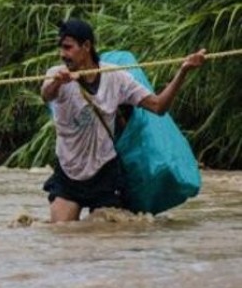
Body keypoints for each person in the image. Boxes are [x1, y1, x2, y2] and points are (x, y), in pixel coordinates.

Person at [40, 18, 206, 222]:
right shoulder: (55, 75)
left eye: (68, 47)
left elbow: (158, 106)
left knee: (110, 236)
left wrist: (183, 71)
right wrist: (57, 82)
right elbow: (46, 95)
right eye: (61, 48)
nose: (62, 54)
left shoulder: (115, 76)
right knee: (61, 232)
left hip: (104, 173)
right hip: (68, 172)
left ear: (86, 46)